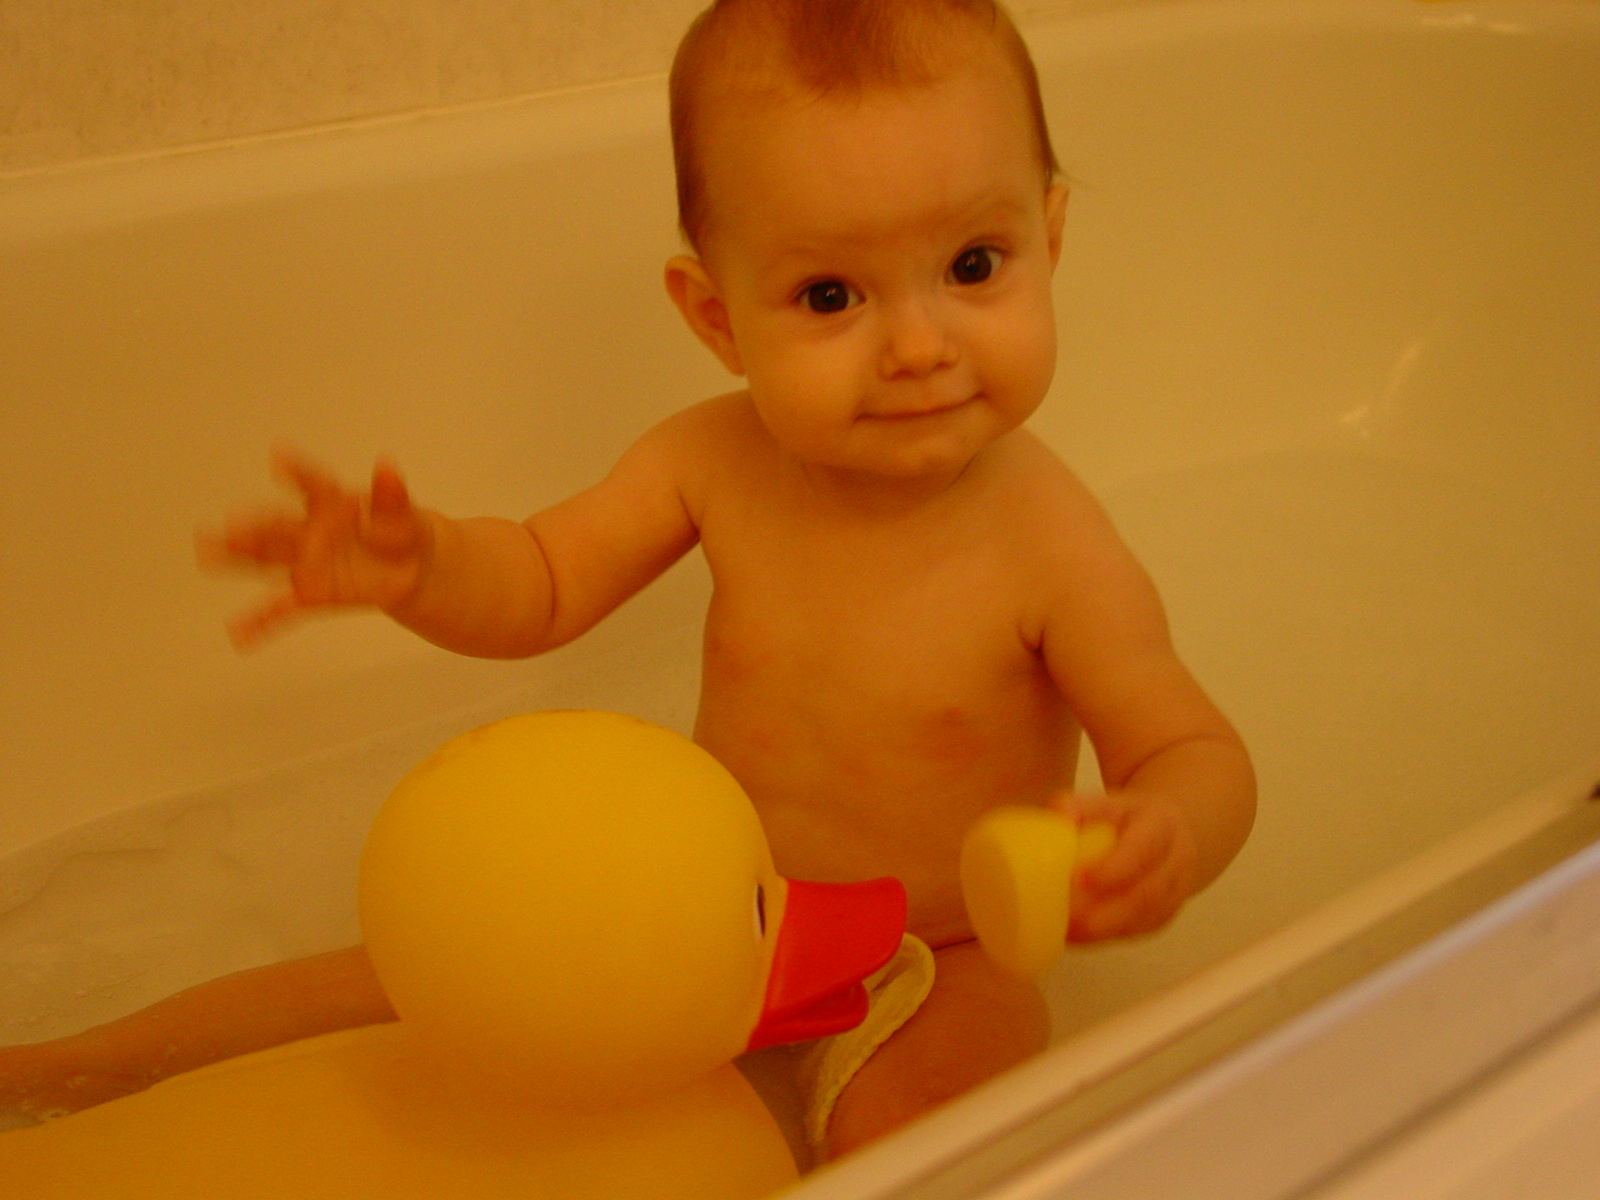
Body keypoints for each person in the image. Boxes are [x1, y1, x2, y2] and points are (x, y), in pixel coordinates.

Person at [0, 0, 1254, 1163]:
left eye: (974, 265)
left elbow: (1188, 750)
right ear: (716, 319)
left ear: (1049, 236)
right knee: (397, 978)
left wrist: (1164, 836)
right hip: (690, 902)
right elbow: (543, 582)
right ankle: (76, 1067)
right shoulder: (712, 460)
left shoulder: (1052, 546)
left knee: (941, 1136)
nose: (919, 345)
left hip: (933, 952)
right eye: (830, 294)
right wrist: (428, 566)